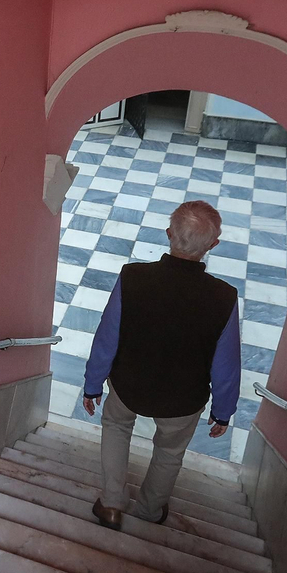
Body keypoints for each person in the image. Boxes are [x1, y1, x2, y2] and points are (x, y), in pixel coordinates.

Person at [81, 200, 241, 528]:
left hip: (128, 386)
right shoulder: (224, 297)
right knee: (169, 453)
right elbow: (226, 365)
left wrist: (93, 383)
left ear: (169, 234)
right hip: (183, 400)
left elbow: (106, 337)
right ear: (213, 245)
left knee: (115, 427)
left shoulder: (132, 277)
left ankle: (111, 504)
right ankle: (151, 511)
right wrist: (223, 410)